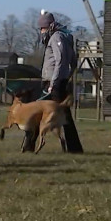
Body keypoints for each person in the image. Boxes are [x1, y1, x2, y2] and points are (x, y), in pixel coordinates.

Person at [34, 10, 83, 153]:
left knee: (39, 112)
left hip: (53, 83)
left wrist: (54, 83)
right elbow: (73, 61)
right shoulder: (66, 37)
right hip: (59, 81)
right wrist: (68, 77)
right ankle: (74, 148)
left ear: (49, 26)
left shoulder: (56, 37)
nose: (41, 31)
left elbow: (60, 60)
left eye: (42, 28)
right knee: (64, 116)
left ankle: (29, 146)